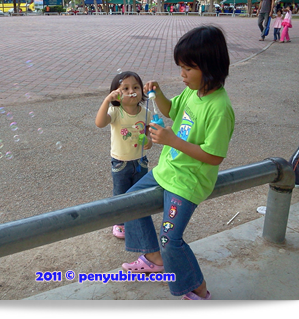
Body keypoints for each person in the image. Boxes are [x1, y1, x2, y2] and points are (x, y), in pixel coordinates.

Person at [120, 26, 235, 300]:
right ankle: (153, 259)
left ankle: (199, 289)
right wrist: (157, 93)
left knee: (170, 238)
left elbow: (215, 156)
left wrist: (173, 141)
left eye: (187, 69)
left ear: (209, 67)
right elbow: (171, 110)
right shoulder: (194, 93)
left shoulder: (219, 108)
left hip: (188, 182)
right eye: (180, 68)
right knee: (129, 201)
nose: (181, 75)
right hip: (169, 171)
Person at [95, 71, 153, 239]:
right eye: (125, 88)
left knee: (139, 193)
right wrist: (107, 100)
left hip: (140, 161)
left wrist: (149, 141)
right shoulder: (115, 111)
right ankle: (120, 223)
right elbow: (99, 123)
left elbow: (148, 132)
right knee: (120, 194)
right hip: (121, 163)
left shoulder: (145, 112)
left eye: (135, 87)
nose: (131, 91)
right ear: (117, 94)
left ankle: (136, 219)